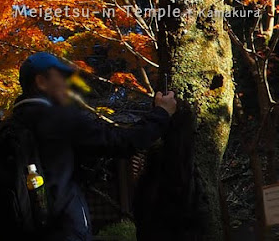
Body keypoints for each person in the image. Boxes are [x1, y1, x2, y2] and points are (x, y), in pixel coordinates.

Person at [11, 52, 177, 241]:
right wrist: (162, 113)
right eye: (61, 77)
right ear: (41, 81)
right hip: (65, 231)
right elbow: (124, 141)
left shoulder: (9, 127)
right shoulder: (61, 119)